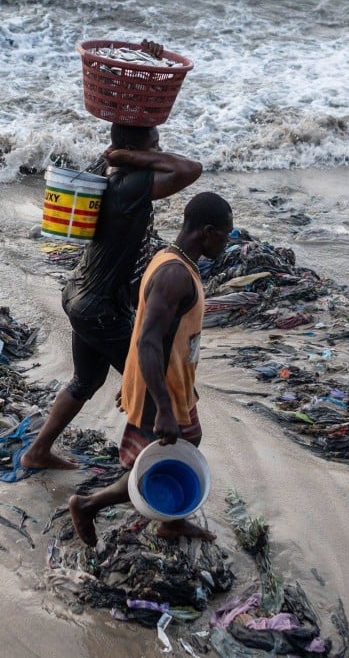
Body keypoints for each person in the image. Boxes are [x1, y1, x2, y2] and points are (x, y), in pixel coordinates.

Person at [21, 124, 202, 470]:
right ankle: (149, 476)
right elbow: (189, 169)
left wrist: (127, 153)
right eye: (154, 144)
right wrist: (134, 155)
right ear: (134, 149)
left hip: (80, 294)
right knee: (158, 389)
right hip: (99, 308)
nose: (159, 150)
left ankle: (37, 453)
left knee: (86, 380)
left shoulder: (106, 172)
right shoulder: (131, 184)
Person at [69, 192, 233, 545]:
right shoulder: (175, 275)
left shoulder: (172, 259)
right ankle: (87, 505)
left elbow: (148, 329)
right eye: (225, 233)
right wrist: (158, 405)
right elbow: (147, 340)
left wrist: (141, 381)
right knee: (147, 465)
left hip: (175, 383)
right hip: (161, 391)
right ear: (206, 231)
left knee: (190, 441)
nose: (227, 241)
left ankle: (171, 522)